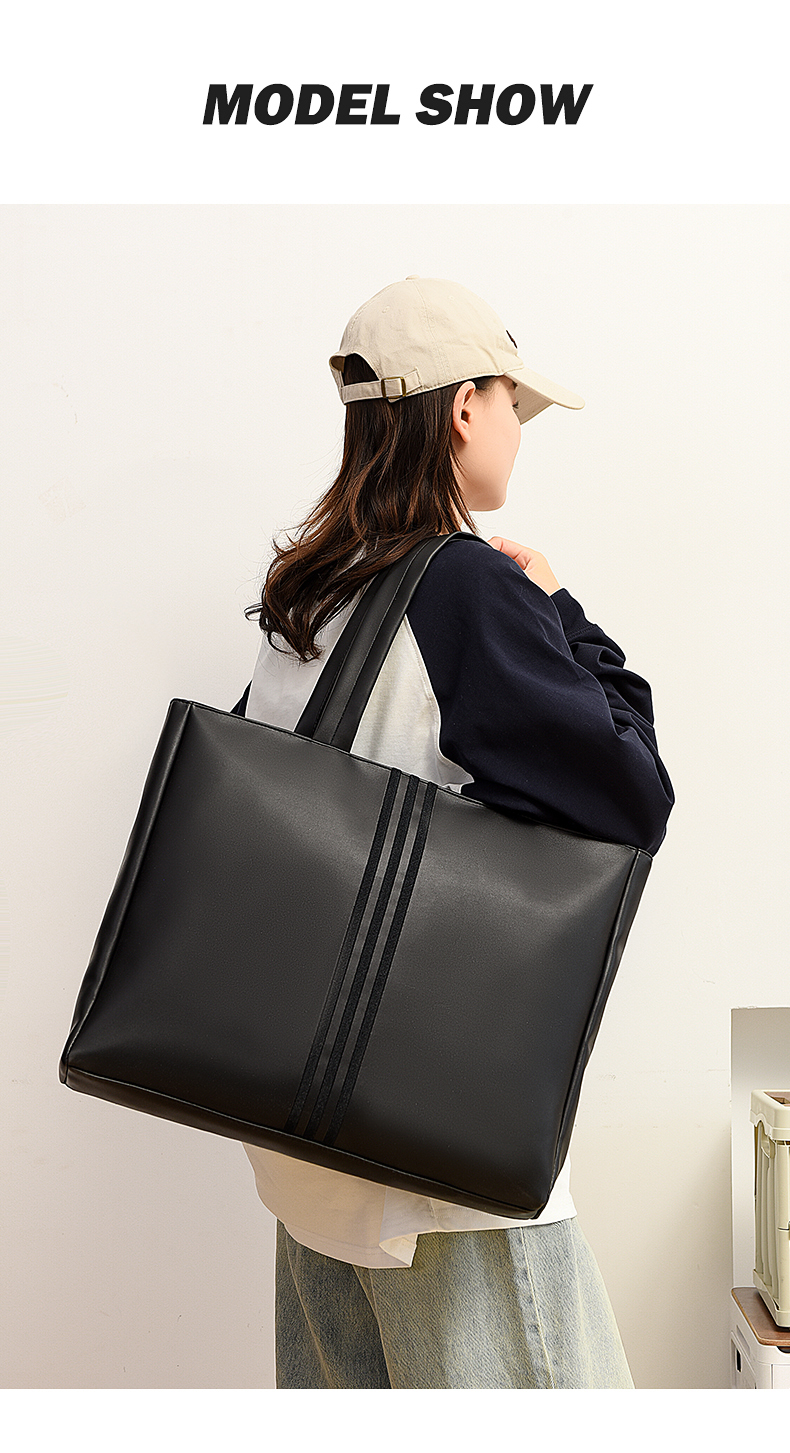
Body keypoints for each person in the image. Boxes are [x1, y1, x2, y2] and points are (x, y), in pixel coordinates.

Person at [240, 275, 674, 1389]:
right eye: (512, 405)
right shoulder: (467, 589)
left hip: (303, 1159)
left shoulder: (305, 595)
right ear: (465, 405)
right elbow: (633, 792)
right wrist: (560, 610)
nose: (518, 433)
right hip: (442, 1174)